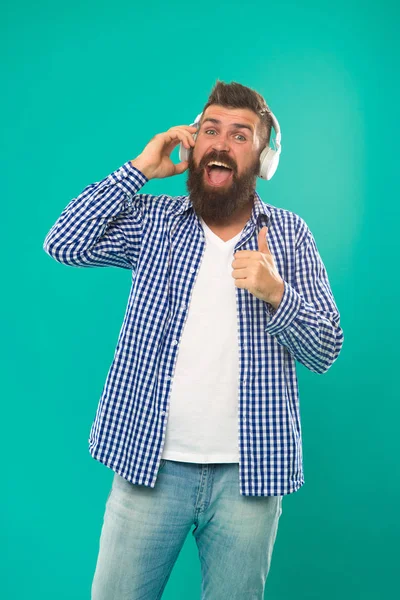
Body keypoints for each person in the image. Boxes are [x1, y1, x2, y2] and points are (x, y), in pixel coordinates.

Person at [43, 80, 344, 600]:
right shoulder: (155, 222)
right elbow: (63, 242)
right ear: (194, 144)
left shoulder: (291, 235)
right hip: (148, 466)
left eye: (240, 135)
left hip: (249, 477)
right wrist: (138, 170)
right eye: (210, 130)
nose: (222, 143)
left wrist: (277, 294)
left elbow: (326, 348)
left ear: (263, 159)